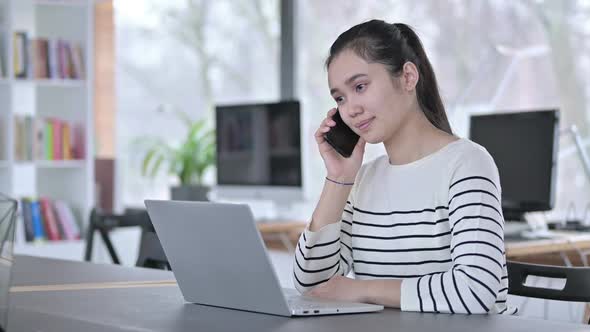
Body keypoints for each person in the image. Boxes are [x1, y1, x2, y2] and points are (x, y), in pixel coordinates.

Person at [293, 20, 516, 315]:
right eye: (340, 98)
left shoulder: (467, 164)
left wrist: (361, 290)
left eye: (360, 86)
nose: (350, 109)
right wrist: (338, 179)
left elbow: (475, 291)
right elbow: (312, 283)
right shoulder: (361, 180)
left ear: (408, 76)